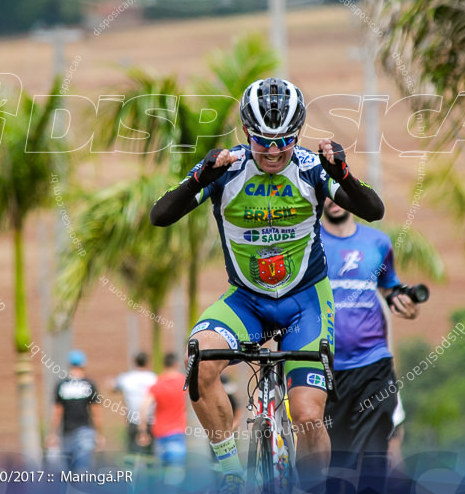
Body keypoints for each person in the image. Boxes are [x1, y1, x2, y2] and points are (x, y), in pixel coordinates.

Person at [150, 77, 385, 493]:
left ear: (299, 134)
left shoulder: (311, 169)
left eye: (285, 140)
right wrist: (199, 178)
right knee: (200, 361)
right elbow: (160, 215)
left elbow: (374, 210)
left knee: (308, 417)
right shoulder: (227, 170)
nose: (274, 151)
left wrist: (343, 175)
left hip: (305, 303)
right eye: (263, 141)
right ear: (246, 133)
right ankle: (231, 475)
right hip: (247, 302)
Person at [320, 197, 419, 494]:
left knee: (375, 450)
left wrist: (405, 304)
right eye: (327, 193)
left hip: (374, 363)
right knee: (338, 459)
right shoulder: (310, 242)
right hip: (327, 368)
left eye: (340, 193)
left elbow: (390, 286)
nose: (334, 201)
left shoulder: (378, 242)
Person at [47, 350, 103, 471]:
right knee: (83, 469)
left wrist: (53, 434)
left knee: (68, 471)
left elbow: (57, 412)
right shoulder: (89, 385)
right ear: (84, 365)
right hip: (86, 432)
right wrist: (99, 433)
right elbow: (95, 412)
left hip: (66, 432)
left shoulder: (62, 385)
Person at [138, 353, 188, 485]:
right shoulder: (183, 382)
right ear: (176, 364)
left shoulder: (157, 384)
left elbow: (144, 407)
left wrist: (143, 431)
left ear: (164, 365)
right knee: (176, 475)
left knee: (161, 474)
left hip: (159, 433)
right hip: (177, 432)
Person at [113, 351, 158, 461]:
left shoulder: (127, 378)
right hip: (150, 422)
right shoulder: (154, 378)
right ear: (147, 362)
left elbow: (114, 386)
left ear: (134, 362)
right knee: (150, 458)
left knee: (132, 458)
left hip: (133, 422)